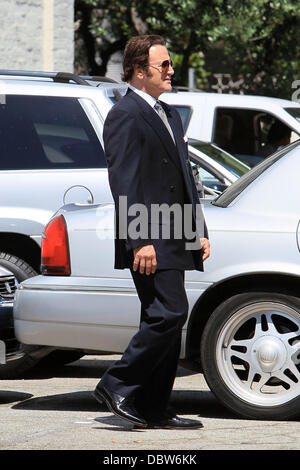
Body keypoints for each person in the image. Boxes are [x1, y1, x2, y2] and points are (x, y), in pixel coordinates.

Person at [93, 35, 210, 430]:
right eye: (164, 65)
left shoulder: (169, 113)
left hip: (176, 231)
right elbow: (124, 181)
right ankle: (117, 383)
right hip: (149, 234)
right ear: (140, 72)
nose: (171, 71)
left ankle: (153, 407)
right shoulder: (124, 114)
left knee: (165, 318)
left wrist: (199, 230)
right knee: (170, 312)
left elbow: (185, 178)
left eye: (170, 64)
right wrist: (139, 240)